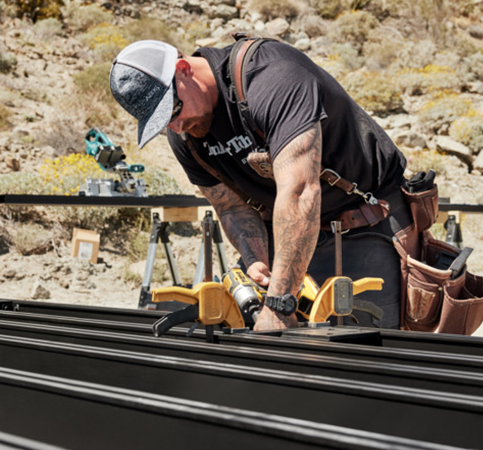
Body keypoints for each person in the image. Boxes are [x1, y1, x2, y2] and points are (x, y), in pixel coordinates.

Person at [109, 36, 409, 332]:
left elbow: (301, 191)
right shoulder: (185, 135)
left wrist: (279, 303)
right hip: (286, 234)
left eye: (172, 110)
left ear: (184, 70)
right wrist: (255, 259)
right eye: (162, 123)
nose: (175, 126)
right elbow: (230, 207)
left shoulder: (272, 77)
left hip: (364, 229)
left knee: (362, 358)